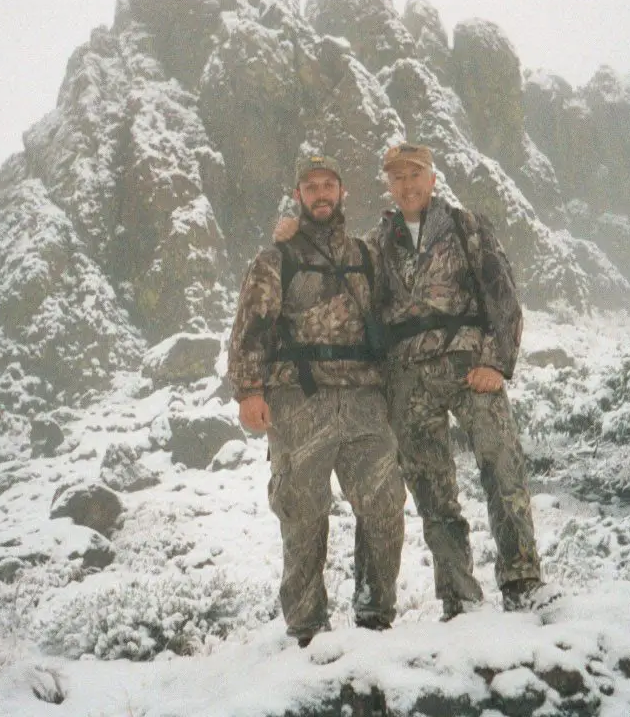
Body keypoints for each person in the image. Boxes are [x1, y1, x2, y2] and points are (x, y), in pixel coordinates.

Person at [275, 143, 550, 620]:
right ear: (388, 185)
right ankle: (459, 596)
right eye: (397, 177)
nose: (407, 185)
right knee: (433, 491)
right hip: (407, 379)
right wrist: (296, 235)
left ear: (432, 179)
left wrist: (496, 363)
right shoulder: (377, 243)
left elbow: (503, 298)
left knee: (502, 468)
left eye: (415, 174)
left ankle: (522, 580)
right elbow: (344, 285)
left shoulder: (466, 228)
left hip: (470, 368)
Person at [226, 154, 406, 648]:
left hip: (366, 399)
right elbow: (249, 329)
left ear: (342, 192)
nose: (321, 194)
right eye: (311, 187)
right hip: (298, 400)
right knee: (302, 511)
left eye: (329, 185)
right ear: (299, 195)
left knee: (385, 503)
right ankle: (306, 629)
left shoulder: (367, 256)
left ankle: (375, 616)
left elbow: (396, 312)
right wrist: (248, 391)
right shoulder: (276, 259)